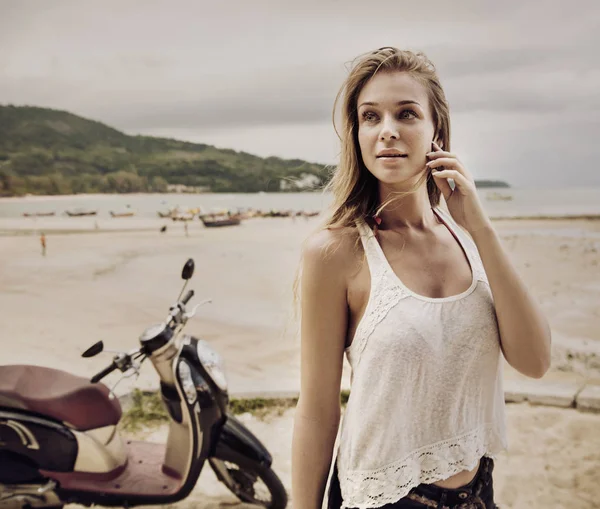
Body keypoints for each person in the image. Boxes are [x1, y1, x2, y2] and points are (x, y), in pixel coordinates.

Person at [291, 47, 551, 509]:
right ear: (357, 134)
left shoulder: (469, 235)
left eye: (406, 113)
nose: (387, 129)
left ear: (437, 132)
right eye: (370, 116)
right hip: (380, 499)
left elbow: (535, 360)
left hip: (477, 493)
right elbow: (316, 409)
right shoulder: (336, 251)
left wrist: (481, 227)